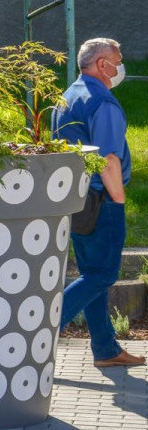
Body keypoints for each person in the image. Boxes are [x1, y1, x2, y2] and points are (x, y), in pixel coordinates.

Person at [53, 38, 143, 368]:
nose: (121, 67)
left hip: (74, 198)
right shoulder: (102, 102)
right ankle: (39, 335)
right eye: (118, 61)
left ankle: (105, 350)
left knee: (92, 274)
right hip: (100, 200)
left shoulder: (67, 97)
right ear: (102, 64)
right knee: (103, 275)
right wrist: (117, 202)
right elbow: (107, 159)